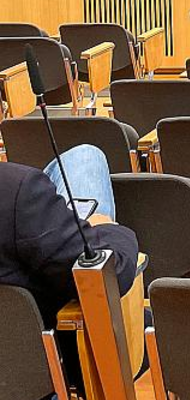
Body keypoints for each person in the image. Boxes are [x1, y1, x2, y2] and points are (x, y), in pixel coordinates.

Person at [0, 145, 139, 390]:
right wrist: (104, 226)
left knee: (84, 156)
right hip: (54, 361)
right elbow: (109, 272)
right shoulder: (15, 191)